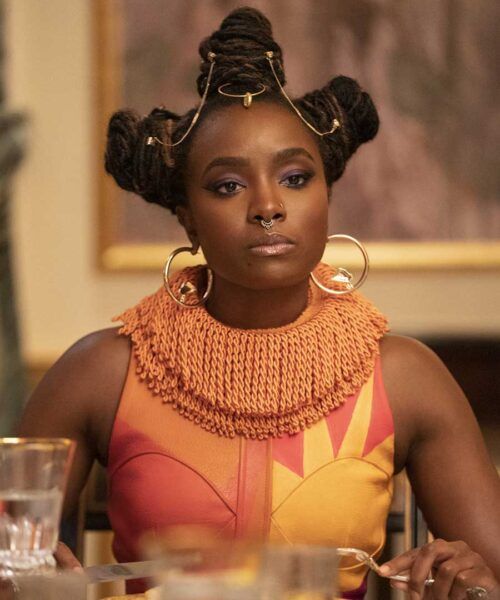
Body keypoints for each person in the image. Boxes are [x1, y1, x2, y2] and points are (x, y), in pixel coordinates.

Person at [18, 7, 500, 599]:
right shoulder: (99, 372)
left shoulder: (407, 377)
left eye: (296, 177)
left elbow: (491, 576)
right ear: (188, 220)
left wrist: (472, 582)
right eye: (228, 185)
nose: (268, 205)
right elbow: (9, 556)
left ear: (327, 196)